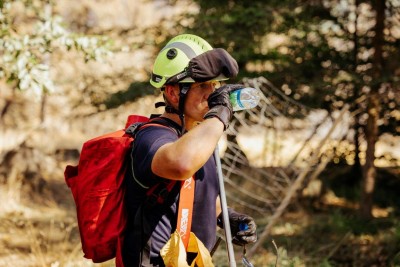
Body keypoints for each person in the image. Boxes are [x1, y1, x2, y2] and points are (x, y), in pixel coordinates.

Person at [122, 34, 257, 267]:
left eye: (216, 85)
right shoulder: (151, 137)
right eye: (203, 85)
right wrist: (220, 115)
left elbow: (200, 194)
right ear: (173, 93)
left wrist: (227, 216)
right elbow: (180, 165)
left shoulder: (200, 137)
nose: (214, 94)